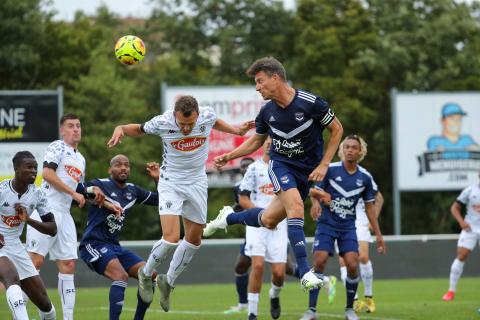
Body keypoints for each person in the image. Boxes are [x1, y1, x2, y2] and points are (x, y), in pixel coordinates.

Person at [203, 56, 344, 291]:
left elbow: (337, 129)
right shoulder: (266, 112)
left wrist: (325, 164)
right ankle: (305, 273)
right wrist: (229, 156)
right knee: (296, 208)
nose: (257, 87)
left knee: (268, 220)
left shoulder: (311, 103)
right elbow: (256, 141)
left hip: (307, 171)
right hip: (281, 166)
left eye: (260, 81)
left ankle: (228, 217)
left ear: (275, 78)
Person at [107, 95, 254, 311]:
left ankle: (169, 281)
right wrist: (121, 128)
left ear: (197, 116)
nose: (186, 129)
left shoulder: (207, 115)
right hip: (171, 182)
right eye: (182, 124)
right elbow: (139, 129)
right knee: (171, 238)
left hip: (197, 182)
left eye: (191, 124)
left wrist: (236, 130)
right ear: (175, 115)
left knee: (195, 239)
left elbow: (215, 122)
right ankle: (145, 274)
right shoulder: (163, 122)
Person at [26, 114, 105, 320]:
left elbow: (78, 186)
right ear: (63, 130)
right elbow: (48, 174)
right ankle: (21, 315)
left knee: (68, 265)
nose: (76, 129)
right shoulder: (57, 146)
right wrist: (74, 194)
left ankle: (68, 318)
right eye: (71, 126)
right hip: (46, 210)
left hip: (65, 214)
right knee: (34, 263)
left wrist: (93, 194)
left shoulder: (81, 158)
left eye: (78, 126)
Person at [309, 135, 385, 320]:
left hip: (349, 226)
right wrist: (316, 202)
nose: (350, 150)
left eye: (354, 147)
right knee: (319, 261)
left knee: (353, 263)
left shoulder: (365, 177)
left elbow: (371, 204)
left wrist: (378, 233)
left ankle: (352, 307)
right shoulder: (330, 170)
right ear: (342, 150)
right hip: (327, 224)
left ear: (360, 152)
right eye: (347, 147)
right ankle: (311, 310)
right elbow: (311, 189)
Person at [78, 155, 160, 320]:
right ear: (110, 170)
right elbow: (77, 188)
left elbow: (159, 199)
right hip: (92, 244)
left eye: (126, 165)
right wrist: (91, 190)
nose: (123, 168)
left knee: (150, 275)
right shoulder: (100, 184)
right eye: (118, 165)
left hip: (114, 246)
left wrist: (158, 179)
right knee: (120, 276)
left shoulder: (133, 190)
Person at [0, 151, 58, 319]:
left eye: (35, 168)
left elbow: (52, 228)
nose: (34, 171)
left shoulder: (38, 194)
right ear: (17, 169)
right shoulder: (2, 190)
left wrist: (28, 220)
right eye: (29, 167)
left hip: (16, 246)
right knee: (12, 278)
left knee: (46, 306)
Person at [236, 138, 287, 320]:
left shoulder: (285, 168)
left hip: (279, 226)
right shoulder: (254, 168)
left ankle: (274, 295)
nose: (269, 142)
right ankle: (252, 313)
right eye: (266, 139)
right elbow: (243, 199)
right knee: (257, 266)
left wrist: (275, 217)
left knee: (279, 274)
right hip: (256, 225)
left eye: (273, 140)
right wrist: (262, 216)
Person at [442, 170, 480, 301]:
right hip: (470, 228)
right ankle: (451, 291)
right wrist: (461, 222)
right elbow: (454, 207)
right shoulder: (470, 190)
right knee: (461, 255)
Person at [225, 157, 255, 315]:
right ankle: (243, 304)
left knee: (286, 269)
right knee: (241, 266)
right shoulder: (238, 187)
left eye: (249, 165)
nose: (245, 168)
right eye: (243, 166)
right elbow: (239, 207)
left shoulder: (265, 181)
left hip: (270, 229)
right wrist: (227, 214)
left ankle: (321, 280)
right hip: (251, 231)